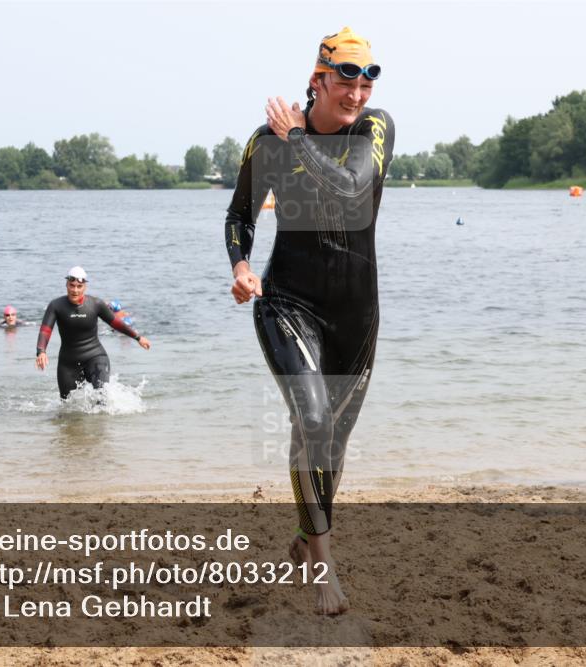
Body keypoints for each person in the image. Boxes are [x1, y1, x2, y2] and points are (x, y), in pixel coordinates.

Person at [225, 27, 394, 614]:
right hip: (287, 302)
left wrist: (296, 135)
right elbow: (240, 215)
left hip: (356, 311)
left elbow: (351, 190)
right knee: (313, 418)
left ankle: (304, 536)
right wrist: (242, 265)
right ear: (319, 78)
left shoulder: (376, 130)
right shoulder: (266, 143)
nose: (359, 91)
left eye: (369, 77)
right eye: (347, 76)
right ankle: (324, 570)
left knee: (334, 441)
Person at [35, 266, 151, 399]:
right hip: (68, 363)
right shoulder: (56, 306)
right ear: (66, 284)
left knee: (101, 398)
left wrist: (138, 337)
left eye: (79, 286)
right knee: (67, 408)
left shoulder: (96, 304)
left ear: (85, 287)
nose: (75, 290)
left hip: (95, 357)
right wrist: (41, 351)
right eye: (72, 285)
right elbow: (45, 330)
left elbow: (116, 323)